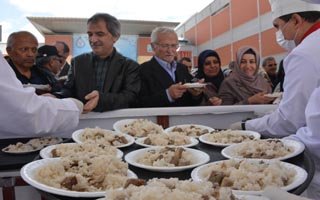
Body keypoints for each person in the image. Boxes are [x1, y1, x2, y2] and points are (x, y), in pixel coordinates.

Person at [231, 0, 320, 137]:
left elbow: (289, 121)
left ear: (296, 20)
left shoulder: (302, 54)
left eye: (277, 26)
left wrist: (245, 126)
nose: (280, 34)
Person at [55, 13, 140, 113]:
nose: (93, 40)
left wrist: (101, 99)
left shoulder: (130, 66)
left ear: (115, 37)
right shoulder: (77, 62)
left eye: (100, 34)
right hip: (83, 123)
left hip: (115, 124)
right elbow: (68, 90)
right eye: (90, 34)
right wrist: (56, 96)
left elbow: (130, 97)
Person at [0, 51, 83, 139]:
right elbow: (26, 112)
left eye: (34, 49)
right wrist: (73, 106)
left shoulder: (43, 74)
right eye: (24, 49)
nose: (30, 54)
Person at [138, 27, 203, 107]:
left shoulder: (182, 68)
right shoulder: (142, 71)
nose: (170, 50)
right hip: (160, 119)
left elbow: (189, 102)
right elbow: (138, 103)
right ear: (153, 46)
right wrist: (168, 95)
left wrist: (196, 94)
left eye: (174, 45)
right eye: (165, 45)